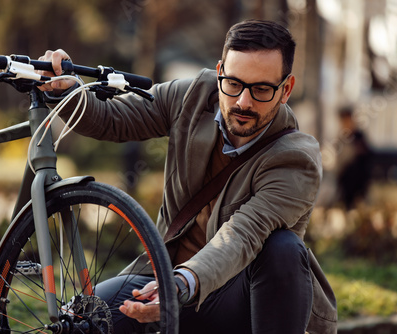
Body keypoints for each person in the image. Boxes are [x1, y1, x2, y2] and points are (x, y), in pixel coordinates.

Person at [40, 19, 336, 334]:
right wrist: (67, 91)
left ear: (285, 89)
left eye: (262, 89)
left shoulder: (295, 158)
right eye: (234, 84)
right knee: (80, 319)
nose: (243, 102)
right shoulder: (194, 95)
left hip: (238, 303)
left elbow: (240, 236)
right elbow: (114, 119)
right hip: (163, 278)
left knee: (284, 247)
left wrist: (178, 286)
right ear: (220, 71)